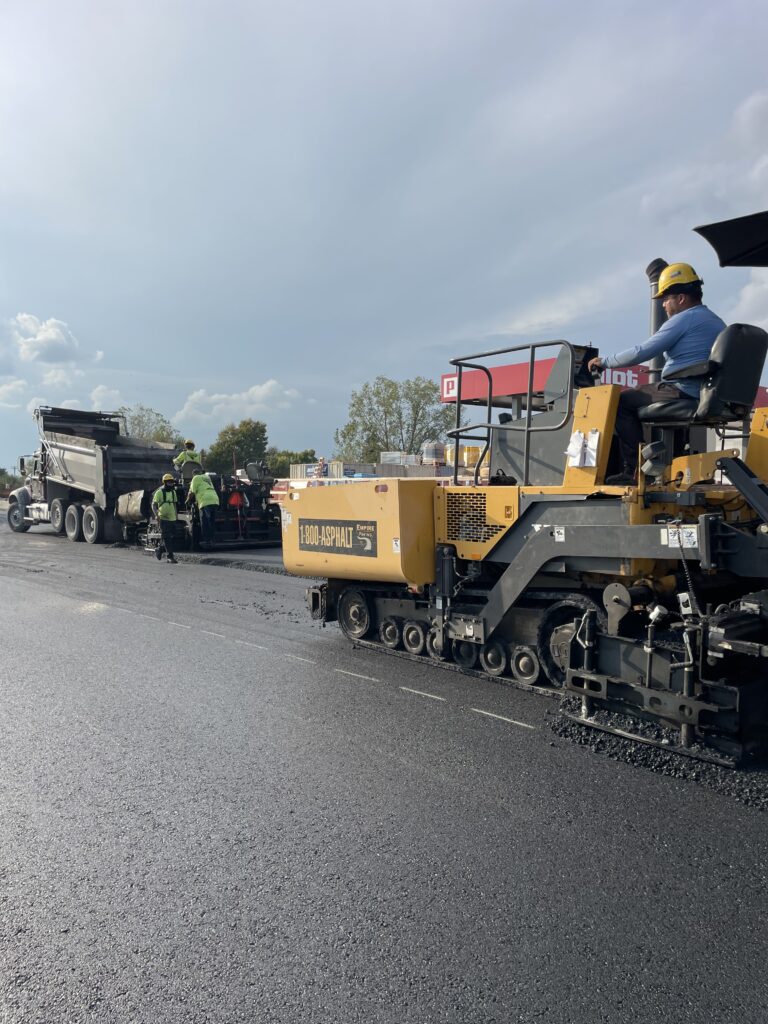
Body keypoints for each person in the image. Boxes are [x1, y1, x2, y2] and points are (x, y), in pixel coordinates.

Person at [588, 262, 726, 484]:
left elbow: (643, 352)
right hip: (704, 391)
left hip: (684, 389)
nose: (663, 304)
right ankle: (674, 469)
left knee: (620, 402)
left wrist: (604, 362)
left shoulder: (685, 318)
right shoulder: (716, 321)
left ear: (681, 298)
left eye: (666, 298)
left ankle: (634, 471)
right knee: (649, 399)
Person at [187, 467, 220, 549]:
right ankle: (212, 539)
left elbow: (192, 492)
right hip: (215, 499)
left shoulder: (195, 478)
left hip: (205, 501)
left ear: (194, 474)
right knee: (212, 521)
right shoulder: (207, 477)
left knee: (205, 521)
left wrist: (187, 501)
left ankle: (207, 541)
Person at [151, 473, 179, 563]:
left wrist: (176, 515)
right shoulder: (159, 492)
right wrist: (156, 515)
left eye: (172, 482)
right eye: (169, 482)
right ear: (165, 482)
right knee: (167, 537)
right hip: (163, 518)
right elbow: (154, 505)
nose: (171, 484)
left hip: (172, 518)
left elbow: (174, 504)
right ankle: (170, 557)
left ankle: (160, 549)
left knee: (174, 536)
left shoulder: (173, 492)